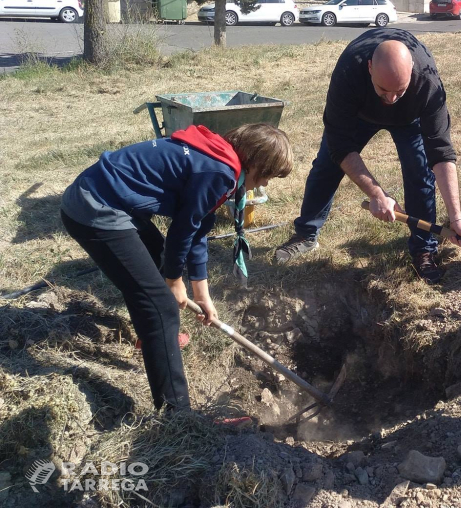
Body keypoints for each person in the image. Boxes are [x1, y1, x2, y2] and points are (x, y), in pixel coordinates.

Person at [60, 123, 294, 412]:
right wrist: (173, 280)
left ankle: (157, 335)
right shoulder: (219, 172)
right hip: (95, 208)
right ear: (255, 161)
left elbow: (198, 226)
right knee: (161, 305)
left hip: (107, 196)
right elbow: (182, 231)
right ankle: (176, 413)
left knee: (157, 262)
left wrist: (201, 293)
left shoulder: (219, 157)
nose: (266, 184)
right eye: (268, 175)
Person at [274, 28, 461, 284]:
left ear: (412, 69)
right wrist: (376, 194)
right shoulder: (349, 71)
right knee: (326, 166)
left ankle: (424, 249)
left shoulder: (427, 81)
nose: (391, 99)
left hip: (409, 119)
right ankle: (306, 235)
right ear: (370, 67)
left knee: (420, 174)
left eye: (399, 91)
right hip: (360, 114)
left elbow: (441, 151)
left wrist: (456, 217)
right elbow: (340, 145)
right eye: (384, 90)